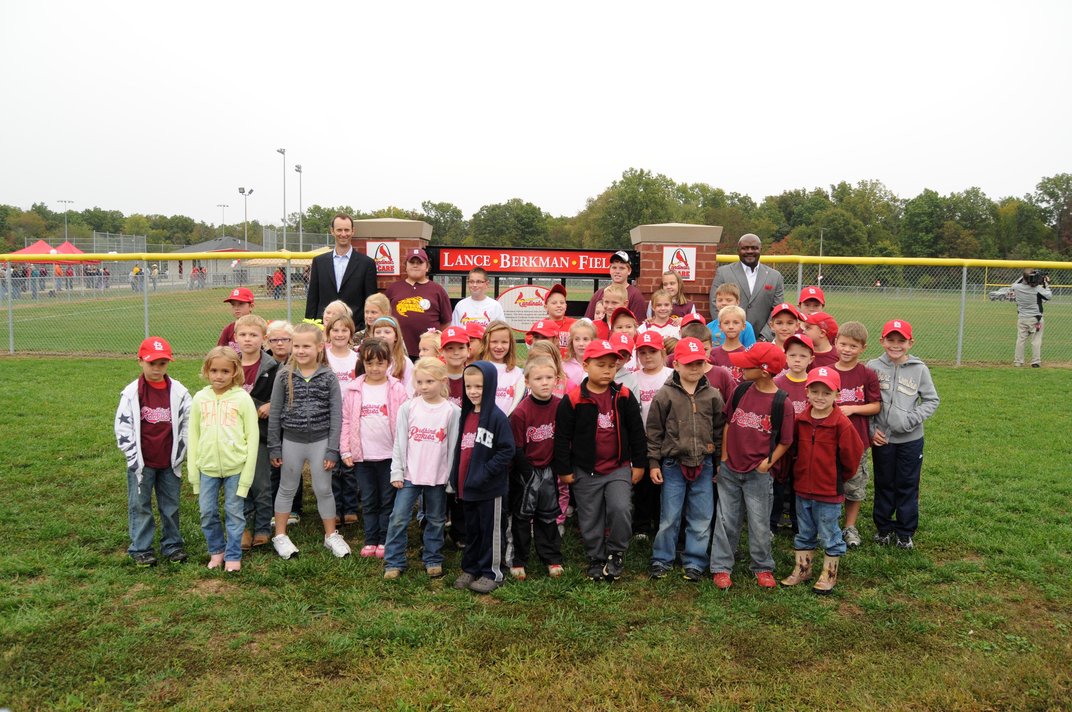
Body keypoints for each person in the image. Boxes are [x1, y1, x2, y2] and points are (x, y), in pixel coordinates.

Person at [554, 339, 646, 582]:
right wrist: (564, 469)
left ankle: (616, 552)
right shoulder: (573, 399)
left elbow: (636, 431)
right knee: (590, 515)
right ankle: (595, 556)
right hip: (586, 470)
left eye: (612, 366)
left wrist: (639, 463)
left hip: (618, 467)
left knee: (620, 508)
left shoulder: (623, 395)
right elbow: (562, 437)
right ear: (586, 365)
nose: (607, 370)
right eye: (601, 365)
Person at [711, 342, 794, 590]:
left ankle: (762, 566)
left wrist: (766, 464)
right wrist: (724, 457)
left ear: (765, 371)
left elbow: (786, 441)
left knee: (759, 522)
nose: (741, 369)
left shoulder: (782, 403)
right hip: (730, 468)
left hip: (758, 473)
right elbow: (728, 423)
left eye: (748, 366)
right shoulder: (741, 390)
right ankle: (721, 566)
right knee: (726, 519)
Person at [779, 367, 865, 594]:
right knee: (804, 530)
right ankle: (803, 568)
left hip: (828, 491)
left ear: (837, 395)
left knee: (829, 532)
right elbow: (792, 450)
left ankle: (829, 573)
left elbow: (852, 456)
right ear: (806, 392)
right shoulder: (801, 421)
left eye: (826, 393)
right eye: (815, 391)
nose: (820, 397)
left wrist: (836, 477)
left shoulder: (841, 424)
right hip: (802, 489)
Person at [646, 337, 725, 582]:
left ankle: (694, 561)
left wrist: (719, 461)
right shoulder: (665, 395)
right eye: (689, 363)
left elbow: (719, 431)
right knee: (670, 516)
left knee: (701, 516)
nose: (694, 368)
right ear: (676, 364)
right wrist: (653, 462)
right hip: (673, 464)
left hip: (704, 463)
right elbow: (654, 431)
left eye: (699, 363)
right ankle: (662, 559)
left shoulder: (713, 395)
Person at [267, 323, 347, 560]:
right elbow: (275, 412)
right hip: (291, 442)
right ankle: (280, 535)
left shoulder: (328, 377)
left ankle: (331, 535)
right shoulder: (284, 375)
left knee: (323, 489)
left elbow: (336, 415)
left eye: (306, 346)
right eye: (297, 346)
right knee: (287, 487)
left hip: (321, 442)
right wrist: (274, 445)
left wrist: (332, 449)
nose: (301, 351)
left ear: (320, 347)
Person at [114, 336, 191, 568]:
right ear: (140, 361)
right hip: (142, 462)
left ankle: (172, 545)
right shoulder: (131, 393)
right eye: (151, 363)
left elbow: (188, 422)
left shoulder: (179, 392)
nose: (157, 369)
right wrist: (132, 455)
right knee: (140, 505)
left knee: (171, 505)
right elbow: (123, 426)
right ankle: (141, 548)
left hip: (169, 460)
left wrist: (182, 451)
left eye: (162, 364)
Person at [384, 358, 461, 579]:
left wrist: (450, 479)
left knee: (436, 519)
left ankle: (433, 558)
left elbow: (453, 447)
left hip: (437, 477)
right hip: (410, 475)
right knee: (398, 517)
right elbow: (400, 442)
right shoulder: (408, 408)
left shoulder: (452, 411)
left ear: (443, 381)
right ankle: (394, 561)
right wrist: (397, 471)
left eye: (429, 381)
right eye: (419, 382)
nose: (424, 387)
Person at [868, 320, 940, 550]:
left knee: (907, 483)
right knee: (884, 482)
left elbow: (931, 400)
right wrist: (872, 430)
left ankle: (905, 531)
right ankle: (883, 528)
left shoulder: (919, 369)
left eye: (901, 340)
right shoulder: (872, 367)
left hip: (910, 440)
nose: (895, 345)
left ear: (911, 343)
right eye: (890, 340)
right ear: (882, 341)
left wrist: (910, 419)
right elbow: (866, 402)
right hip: (882, 439)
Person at [188, 347, 260, 572]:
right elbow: (193, 436)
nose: (219, 376)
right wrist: (194, 474)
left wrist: (246, 477)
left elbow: (253, 437)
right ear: (206, 371)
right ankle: (216, 551)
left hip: (235, 468)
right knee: (207, 512)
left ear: (235, 372)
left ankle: (233, 555)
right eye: (214, 371)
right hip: (207, 469)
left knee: (234, 513)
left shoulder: (242, 398)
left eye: (225, 371)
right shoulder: (200, 399)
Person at [340, 338, 408, 559]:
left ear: (388, 363)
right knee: (369, 500)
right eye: (369, 363)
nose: (375, 368)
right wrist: (346, 450)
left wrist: (403, 453)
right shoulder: (354, 389)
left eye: (380, 363)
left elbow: (405, 422)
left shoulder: (397, 389)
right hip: (364, 458)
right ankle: (370, 540)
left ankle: (384, 539)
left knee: (387, 501)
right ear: (363, 363)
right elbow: (346, 421)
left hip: (389, 456)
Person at [450, 362, 515, 594]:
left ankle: (492, 572)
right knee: (473, 531)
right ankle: (471, 568)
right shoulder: (466, 415)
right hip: (467, 489)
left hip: (489, 490)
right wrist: (455, 477)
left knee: (491, 532)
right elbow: (461, 450)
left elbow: (507, 450)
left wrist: (484, 472)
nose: (473, 391)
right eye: (469, 386)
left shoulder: (497, 417)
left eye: (479, 386)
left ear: (490, 386)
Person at [508, 357, 566, 582]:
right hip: (527, 471)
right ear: (527, 382)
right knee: (522, 517)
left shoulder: (560, 406)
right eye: (538, 378)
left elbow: (563, 439)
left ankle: (551, 557)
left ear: (556, 380)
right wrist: (528, 474)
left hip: (549, 469)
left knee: (548, 516)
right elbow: (516, 447)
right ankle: (519, 559)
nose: (544, 382)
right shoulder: (521, 412)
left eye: (549, 377)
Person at [831, 321, 881, 549]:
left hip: (857, 440)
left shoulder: (866, 374)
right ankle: (829, 522)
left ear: (863, 348)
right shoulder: (827, 372)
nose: (847, 349)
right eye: (843, 344)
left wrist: (852, 409)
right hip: (829, 440)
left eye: (853, 346)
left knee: (854, 485)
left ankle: (850, 526)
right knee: (829, 482)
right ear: (835, 342)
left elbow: (876, 405)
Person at [234, 314, 279, 551]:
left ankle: (262, 527)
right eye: (243, 334)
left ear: (264, 338)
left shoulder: (273, 367)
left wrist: (270, 404)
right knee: (239, 482)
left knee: (261, 483)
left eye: (253, 335)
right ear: (235, 338)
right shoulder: (230, 365)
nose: (248, 339)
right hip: (235, 434)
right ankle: (244, 527)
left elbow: (282, 397)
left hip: (261, 434)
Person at [305, 213, 379, 328]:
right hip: (324, 328)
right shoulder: (319, 262)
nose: (343, 234)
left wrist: (365, 329)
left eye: (347, 230)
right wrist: (309, 327)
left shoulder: (367, 264)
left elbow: (370, 301)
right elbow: (312, 299)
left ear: (353, 231)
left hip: (354, 329)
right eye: (339, 230)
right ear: (332, 231)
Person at [709, 234, 785, 341]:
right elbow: (715, 304)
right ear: (738, 250)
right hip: (729, 340)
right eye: (745, 248)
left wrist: (764, 338)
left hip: (762, 341)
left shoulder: (775, 276)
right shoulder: (723, 273)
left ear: (761, 249)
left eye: (754, 248)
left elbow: (777, 310)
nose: (749, 251)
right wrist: (727, 333)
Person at [264, 320, 304, 526]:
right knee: (274, 465)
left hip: (292, 421)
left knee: (292, 465)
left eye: (285, 339)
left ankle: (294, 507)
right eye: (274, 340)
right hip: (269, 423)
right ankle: (273, 507)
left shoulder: (300, 362)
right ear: (267, 342)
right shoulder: (264, 363)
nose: (279, 343)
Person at [385, 248, 452, 358]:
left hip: (429, 353)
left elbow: (446, 322)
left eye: (420, 262)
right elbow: (384, 318)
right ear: (406, 266)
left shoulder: (438, 290)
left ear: (427, 267)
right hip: (399, 351)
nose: (415, 265)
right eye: (412, 262)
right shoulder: (393, 289)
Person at [325, 315, 360, 526]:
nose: (339, 334)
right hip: (329, 415)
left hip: (351, 415)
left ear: (351, 333)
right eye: (335, 330)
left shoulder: (357, 358)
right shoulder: (324, 357)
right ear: (328, 333)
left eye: (344, 330)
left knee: (349, 463)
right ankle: (335, 508)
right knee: (332, 463)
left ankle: (351, 507)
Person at [584, 250, 646, 321]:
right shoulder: (599, 293)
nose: (617, 271)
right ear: (609, 270)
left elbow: (638, 324)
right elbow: (587, 321)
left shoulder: (635, 295)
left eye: (622, 268)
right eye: (614, 268)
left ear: (629, 271)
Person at [481, 320, 525, 415]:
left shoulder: (517, 373)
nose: (499, 346)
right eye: (494, 342)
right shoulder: (480, 369)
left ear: (510, 344)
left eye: (504, 342)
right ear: (486, 342)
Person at [1013, 268, 1052, 367]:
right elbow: (1049, 296)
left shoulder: (1017, 287)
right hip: (1036, 318)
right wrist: (1046, 284)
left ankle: (1018, 362)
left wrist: (1025, 277)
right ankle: (1035, 362)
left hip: (1022, 318)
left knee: (1020, 340)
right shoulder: (1037, 289)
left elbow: (1015, 283)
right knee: (1036, 340)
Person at [708, 284, 757, 348]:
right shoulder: (710, 327)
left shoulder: (746, 326)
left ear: (737, 302)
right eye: (720, 300)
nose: (723, 303)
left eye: (729, 300)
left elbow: (752, 350)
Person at [218, 287, 255, 353]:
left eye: (241, 304)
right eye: (233, 304)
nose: (236, 308)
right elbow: (220, 353)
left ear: (251, 306)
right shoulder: (228, 329)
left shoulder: (259, 327)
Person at [542, 283, 575, 357]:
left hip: (568, 362)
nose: (559, 305)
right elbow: (530, 342)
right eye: (554, 303)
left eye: (562, 302)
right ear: (546, 307)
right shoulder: (541, 326)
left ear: (566, 306)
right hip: (548, 362)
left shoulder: (575, 324)